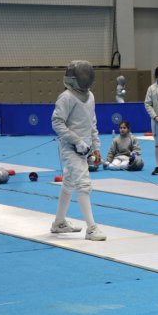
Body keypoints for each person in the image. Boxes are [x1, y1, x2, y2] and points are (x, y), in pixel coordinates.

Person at [50, 60, 106, 241]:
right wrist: (76, 140)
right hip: (70, 148)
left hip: (85, 149)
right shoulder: (66, 97)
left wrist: (96, 148)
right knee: (83, 184)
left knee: (69, 183)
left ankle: (59, 223)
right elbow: (57, 123)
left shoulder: (90, 96)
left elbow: (92, 124)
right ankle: (91, 229)